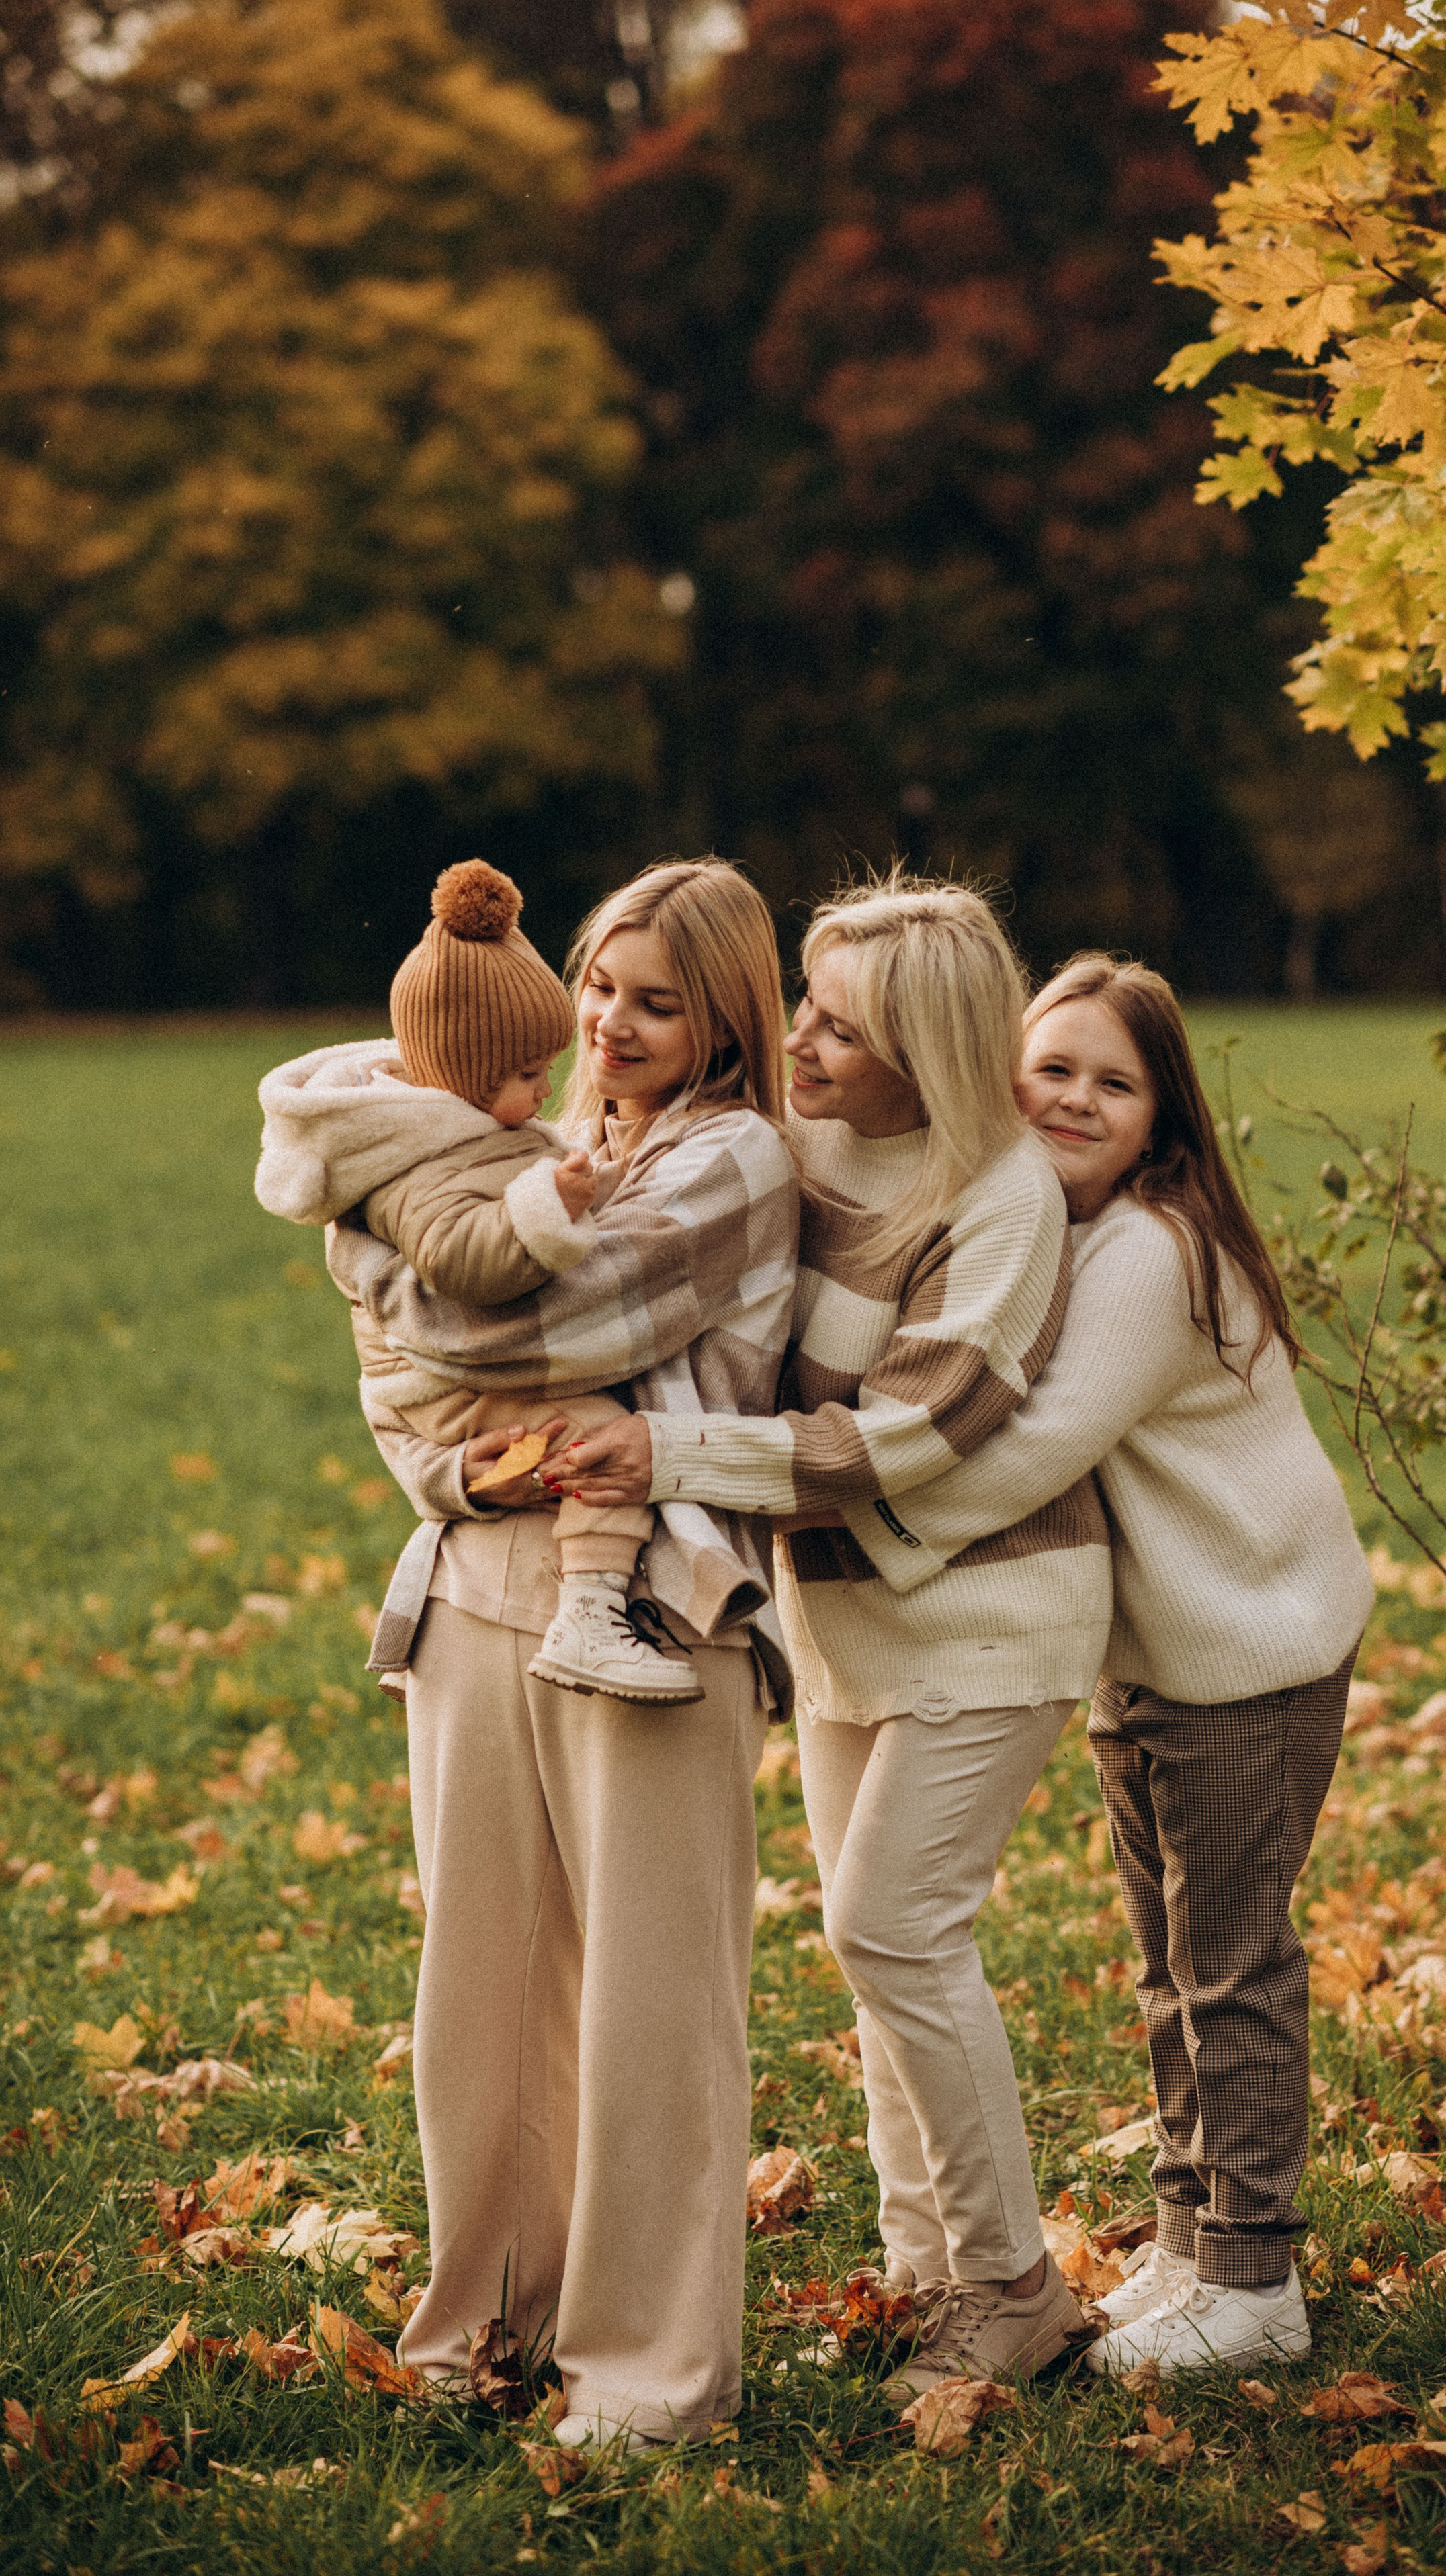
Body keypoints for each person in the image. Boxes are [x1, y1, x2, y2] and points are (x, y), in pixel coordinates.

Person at [556, 876, 1115, 2395]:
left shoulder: (994, 1195)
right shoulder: (792, 1143)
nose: (795, 1037)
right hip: (842, 1612)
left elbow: (908, 1433)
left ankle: (1011, 2282)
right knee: (875, 1955)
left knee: (892, 1927)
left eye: (837, 1026)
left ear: (921, 1047)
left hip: (992, 1616)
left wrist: (670, 1462)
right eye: (802, 1000)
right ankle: (921, 2269)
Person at [819, 954, 1374, 2377]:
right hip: (1158, 1657)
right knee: (1169, 1967)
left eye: (1111, 1082)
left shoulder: (1144, 1251)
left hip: (1246, 1655)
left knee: (1227, 1966)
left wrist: (842, 1517)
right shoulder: (1051, 1228)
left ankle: (1251, 2283)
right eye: (1048, 1067)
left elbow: (1029, 1449)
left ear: (1160, 1119)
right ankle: (1189, 2251)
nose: (1071, 1098)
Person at [322, 859, 800, 2450]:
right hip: (469, 1574)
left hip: (653, 1600)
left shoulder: (734, 1160)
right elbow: (415, 1405)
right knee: (481, 1983)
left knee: (652, 1998)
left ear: (727, 1012)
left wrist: (359, 1240)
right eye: (598, 982)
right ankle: (483, 2321)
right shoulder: (546, 1140)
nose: (610, 1021)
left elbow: (492, 1334)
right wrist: (463, 1449)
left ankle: (645, 2370)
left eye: (657, 1000)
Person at [255, 857, 700, 1705]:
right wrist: (545, 1207)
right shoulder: (422, 1162)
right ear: (465, 1072)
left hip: (431, 1389)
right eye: (528, 1075)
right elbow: (462, 1260)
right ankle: (592, 1616)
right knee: (599, 1434)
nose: (545, 1093)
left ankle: (450, 1623)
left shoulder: (461, 1130)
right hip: (437, 1386)